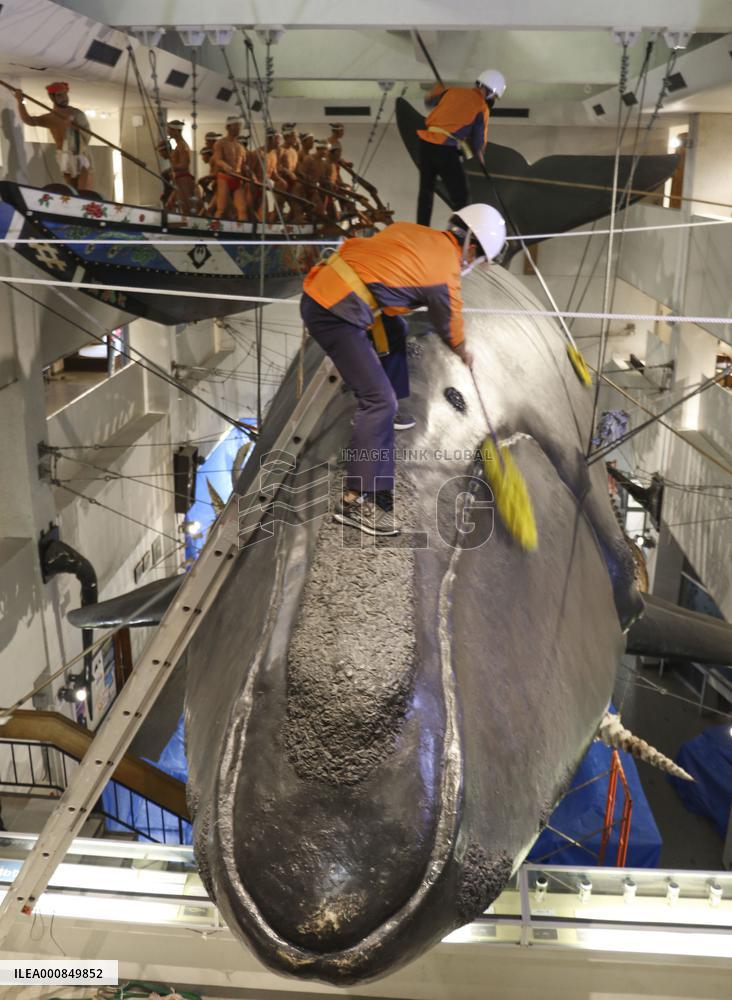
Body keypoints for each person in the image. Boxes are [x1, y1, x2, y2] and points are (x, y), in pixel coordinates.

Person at [300, 204, 507, 536]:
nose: (475, 264)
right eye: (479, 258)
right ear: (471, 247)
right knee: (379, 401)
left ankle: (389, 414)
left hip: (328, 289)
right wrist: (462, 351)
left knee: (395, 328)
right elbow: (449, 322)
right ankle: (356, 501)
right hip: (335, 314)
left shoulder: (414, 231)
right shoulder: (445, 274)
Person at [416, 69, 506, 227]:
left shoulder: (452, 91)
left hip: (426, 144)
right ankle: (457, 232)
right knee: (462, 198)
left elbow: (429, 101)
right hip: (445, 150)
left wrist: (439, 90)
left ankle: (421, 227)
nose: (492, 100)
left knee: (426, 190)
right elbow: (478, 143)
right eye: (494, 97)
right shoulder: (482, 107)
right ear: (490, 91)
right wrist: (481, 159)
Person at [14, 81, 93, 191]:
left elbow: (87, 134)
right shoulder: (51, 117)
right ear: (52, 97)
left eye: (65, 94)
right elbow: (29, 120)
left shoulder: (77, 114)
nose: (64, 98)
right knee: (73, 190)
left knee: (85, 190)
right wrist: (20, 101)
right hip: (64, 156)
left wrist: (76, 128)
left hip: (80, 153)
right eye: (60, 95)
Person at [211, 116, 248, 222]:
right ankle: (214, 228)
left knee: (242, 209)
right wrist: (225, 166)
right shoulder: (220, 143)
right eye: (236, 126)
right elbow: (217, 159)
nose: (238, 128)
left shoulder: (241, 147)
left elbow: (243, 165)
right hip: (225, 178)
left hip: (238, 179)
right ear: (228, 127)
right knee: (221, 209)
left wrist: (250, 173)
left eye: (239, 126)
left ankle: (242, 230)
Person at [157, 120, 195, 215]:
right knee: (168, 206)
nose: (168, 132)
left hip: (183, 180)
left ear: (176, 131)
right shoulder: (178, 145)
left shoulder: (182, 146)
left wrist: (172, 169)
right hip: (178, 180)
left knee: (186, 208)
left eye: (170, 130)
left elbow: (184, 165)